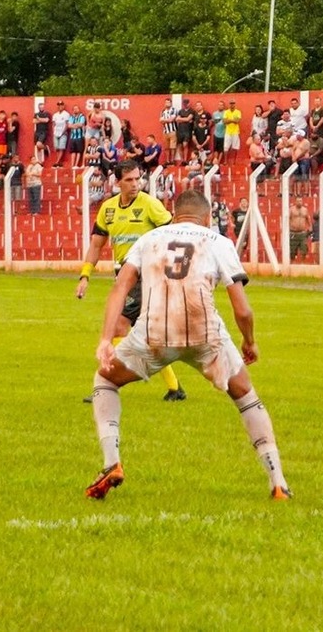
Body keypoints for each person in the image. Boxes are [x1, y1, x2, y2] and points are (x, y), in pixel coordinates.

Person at [85, 189, 292, 501]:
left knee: (105, 380)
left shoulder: (150, 239)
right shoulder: (217, 241)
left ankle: (111, 462)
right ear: (206, 217)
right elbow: (243, 309)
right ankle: (278, 482)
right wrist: (250, 342)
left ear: (173, 211)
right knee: (246, 396)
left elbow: (120, 287)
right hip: (205, 333)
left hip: (154, 333)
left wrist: (105, 339)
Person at [77, 160, 188, 403]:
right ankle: (175, 388)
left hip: (146, 276)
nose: (136, 184)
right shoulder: (108, 209)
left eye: (138, 179)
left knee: (117, 327)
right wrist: (85, 275)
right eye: (129, 180)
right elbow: (96, 244)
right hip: (124, 276)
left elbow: (174, 234)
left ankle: (105, 386)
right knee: (149, 337)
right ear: (117, 182)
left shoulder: (150, 204)